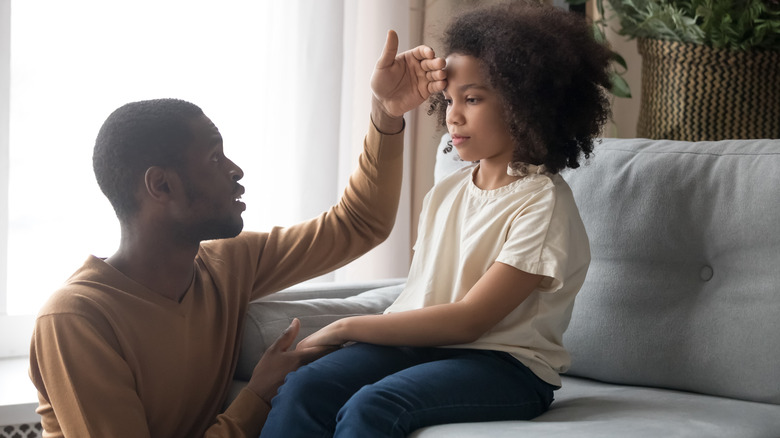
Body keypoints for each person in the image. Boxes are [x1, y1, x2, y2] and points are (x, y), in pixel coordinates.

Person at [27, 29, 446, 438]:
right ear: (162, 186)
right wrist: (259, 395)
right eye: (214, 157)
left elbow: (358, 223)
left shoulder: (226, 265)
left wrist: (386, 112)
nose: (236, 171)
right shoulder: (77, 319)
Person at [259, 2, 612, 437]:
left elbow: (469, 320)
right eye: (449, 99)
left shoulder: (542, 204)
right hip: (425, 348)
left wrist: (346, 327)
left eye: (473, 99)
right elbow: (425, 294)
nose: (453, 115)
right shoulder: (450, 188)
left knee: (375, 406)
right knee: (306, 386)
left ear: (526, 103)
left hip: (505, 366)